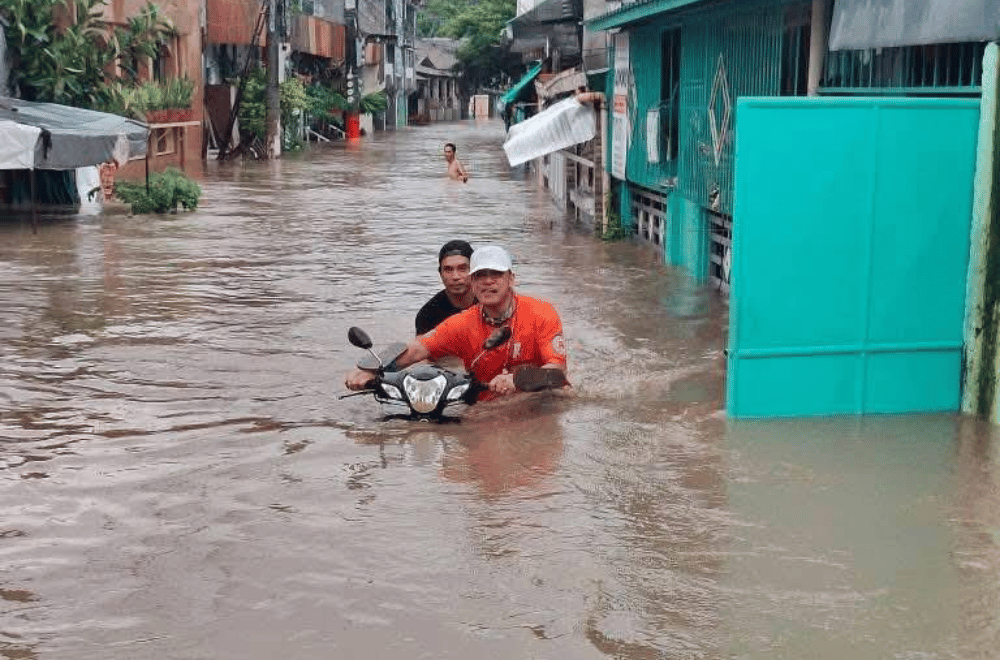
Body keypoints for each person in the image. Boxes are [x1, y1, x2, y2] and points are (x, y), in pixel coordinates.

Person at [346, 245, 567, 399]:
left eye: (496, 274)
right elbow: (416, 350)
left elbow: (557, 372)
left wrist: (516, 380)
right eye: (480, 275)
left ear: (511, 278)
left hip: (537, 401)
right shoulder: (461, 324)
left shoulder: (542, 312)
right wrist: (371, 369)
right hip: (485, 404)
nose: (488, 281)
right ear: (472, 282)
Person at [415, 239, 476, 335]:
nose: (455, 276)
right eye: (448, 270)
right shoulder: (428, 315)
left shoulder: (488, 303)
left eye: (462, 269)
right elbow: (420, 348)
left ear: (474, 271)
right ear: (440, 274)